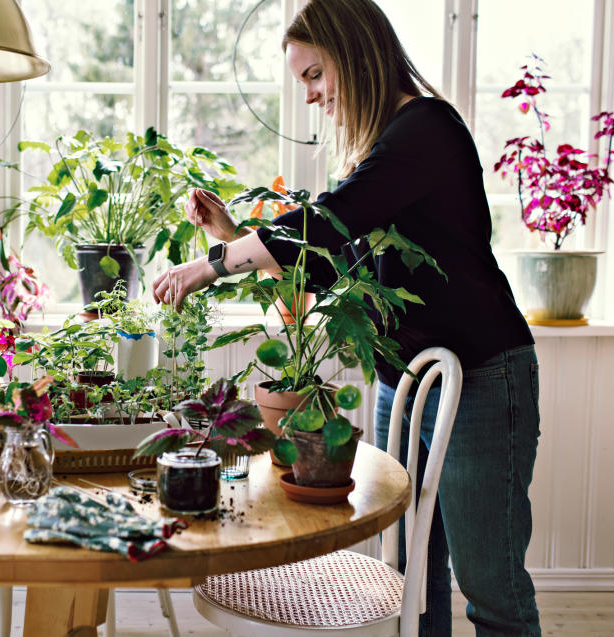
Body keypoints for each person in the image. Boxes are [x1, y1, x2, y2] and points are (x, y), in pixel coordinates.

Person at [151, 0, 541, 635]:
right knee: (414, 578)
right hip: (405, 382)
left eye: (313, 75)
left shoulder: (426, 130)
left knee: (490, 587)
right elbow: (332, 279)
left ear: (356, 55)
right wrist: (235, 234)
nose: (308, 96)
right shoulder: (384, 150)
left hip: (481, 378)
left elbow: (327, 220)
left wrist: (214, 263)